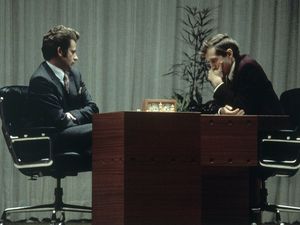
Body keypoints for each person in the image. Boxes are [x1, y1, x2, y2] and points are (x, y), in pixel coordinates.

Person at [28, 25, 99, 154]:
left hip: (73, 130)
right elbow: (59, 121)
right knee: (105, 131)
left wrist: (72, 115)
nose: (76, 57)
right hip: (53, 139)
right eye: (73, 52)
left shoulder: (75, 74)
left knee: (111, 135)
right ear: (60, 51)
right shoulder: (41, 80)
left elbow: (93, 108)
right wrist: (80, 118)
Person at [200, 33, 282, 115]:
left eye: (214, 61)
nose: (212, 67)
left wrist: (218, 84)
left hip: (271, 125)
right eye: (209, 63)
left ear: (229, 54)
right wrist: (221, 110)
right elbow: (217, 104)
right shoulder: (226, 72)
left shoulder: (248, 67)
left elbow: (241, 109)